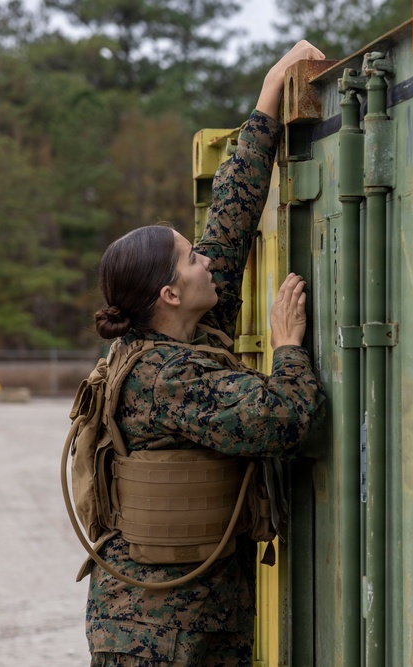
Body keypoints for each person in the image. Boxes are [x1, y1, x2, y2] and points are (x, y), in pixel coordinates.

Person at [85, 41, 327, 666]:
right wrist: (288, 348)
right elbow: (286, 420)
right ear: (169, 293)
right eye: (191, 259)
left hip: (184, 617)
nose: (206, 261)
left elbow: (231, 219)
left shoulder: (171, 335)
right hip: (162, 637)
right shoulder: (170, 376)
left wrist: (269, 96)